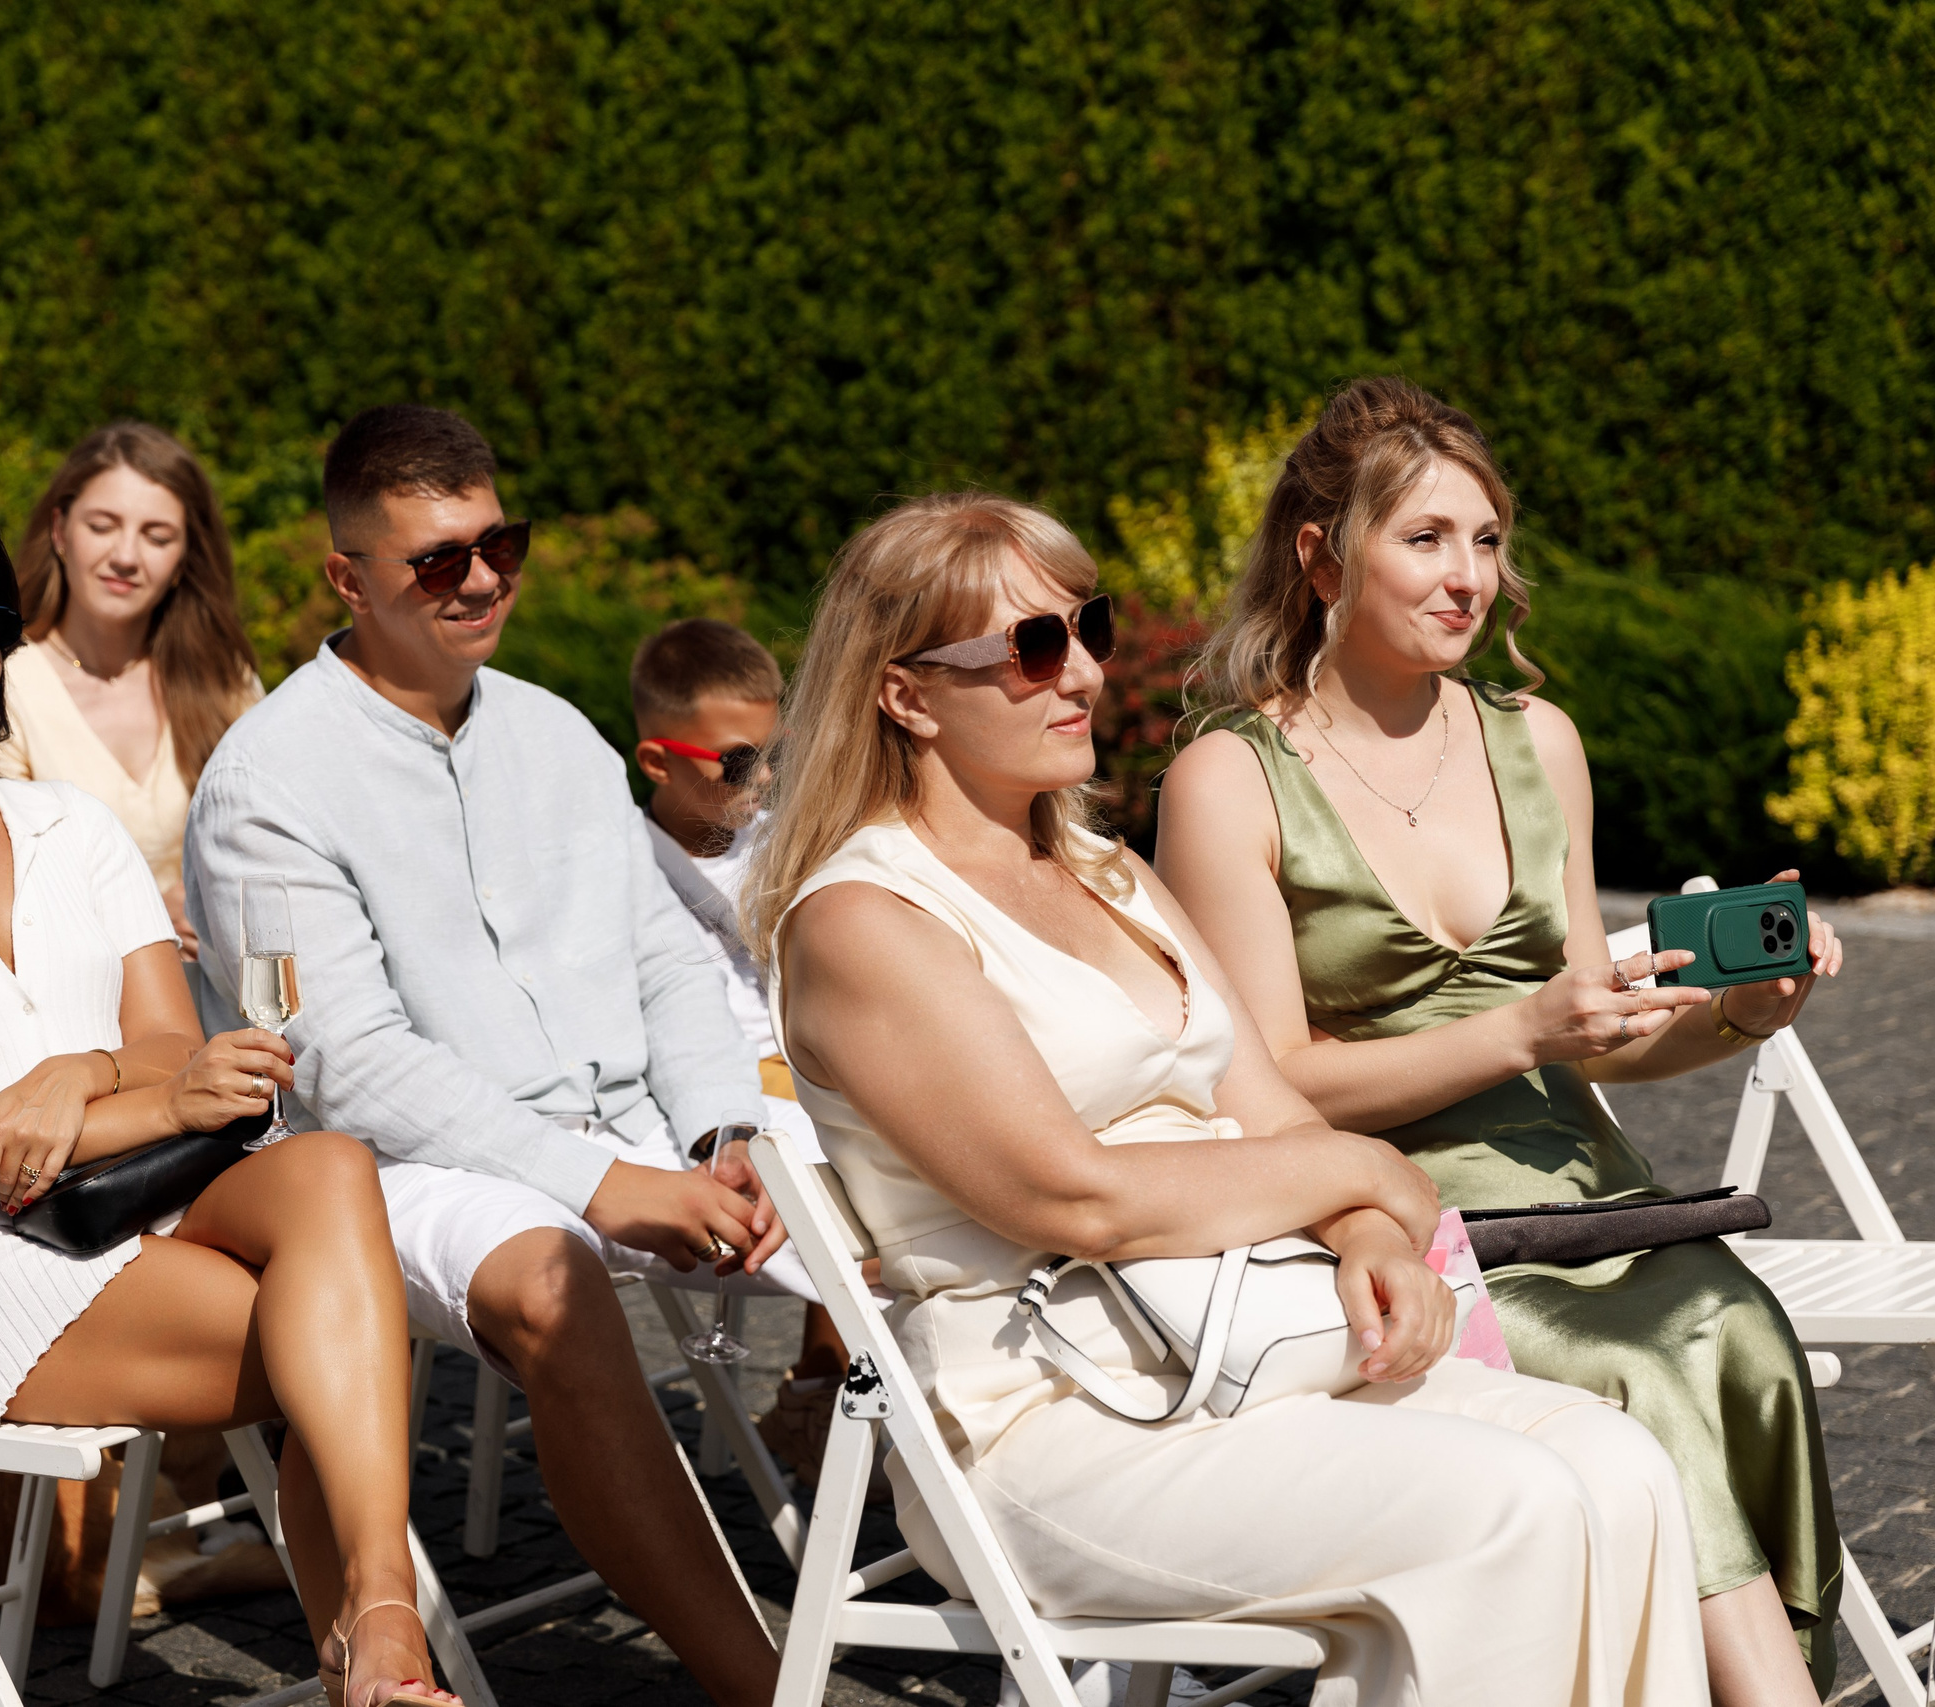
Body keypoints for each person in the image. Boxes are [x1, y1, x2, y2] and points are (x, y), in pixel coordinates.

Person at [751, 490, 1708, 1706]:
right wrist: (1369, 1178)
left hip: (1249, 1348)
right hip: (1057, 1422)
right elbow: (1073, 1195)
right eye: (1033, 649)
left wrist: (1375, 1238)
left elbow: (1278, 1116)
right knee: (1509, 1507)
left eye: (1087, 628)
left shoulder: (1107, 871)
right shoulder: (866, 922)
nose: (1084, 673)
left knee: (1621, 1465)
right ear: (906, 695)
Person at [1155, 378, 1840, 1704]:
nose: (1469, 576)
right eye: (1425, 538)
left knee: (1735, 1331)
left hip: (1591, 1195)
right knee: (1630, 1374)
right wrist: (1520, 1022)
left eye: (1487, 539)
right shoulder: (1229, 773)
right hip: (1380, 1215)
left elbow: (1595, 1039)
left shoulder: (1542, 741)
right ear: (1319, 555)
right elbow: (1269, 1081)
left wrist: (1741, 1010)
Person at [0, 492, 452, 1707]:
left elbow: (174, 1050)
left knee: (332, 1174)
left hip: (149, 1201)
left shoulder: (73, 828)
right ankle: (381, 1640)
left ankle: (377, 1626)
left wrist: (73, 1079)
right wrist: (151, 1098)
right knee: (344, 1329)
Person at [185, 405, 811, 1707]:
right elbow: (342, 1061)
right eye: (435, 559)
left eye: (497, 545)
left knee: (896, 1203)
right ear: (346, 580)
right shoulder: (266, 780)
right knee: (551, 1273)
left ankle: (1052, 1588)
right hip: (383, 1163)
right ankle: (763, 1682)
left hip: (641, 1122)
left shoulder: (559, 734)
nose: (478, 578)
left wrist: (722, 1133)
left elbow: (666, 963)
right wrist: (597, 1183)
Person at [628, 619, 852, 1478]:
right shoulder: (618, 862)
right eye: (735, 761)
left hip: (806, 1071)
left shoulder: (789, 843)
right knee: (851, 1160)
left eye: (773, 755)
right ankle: (837, 1397)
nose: (761, 780)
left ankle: (827, 1389)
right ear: (658, 761)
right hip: (705, 1097)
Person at [0, 422, 264, 959]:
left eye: (157, 536)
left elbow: (278, 845)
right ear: (59, 532)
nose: (125, 555)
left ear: (184, 559)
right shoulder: (3, 684)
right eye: (102, 525)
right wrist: (142, 914)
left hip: (225, 1000)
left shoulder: (225, 678)